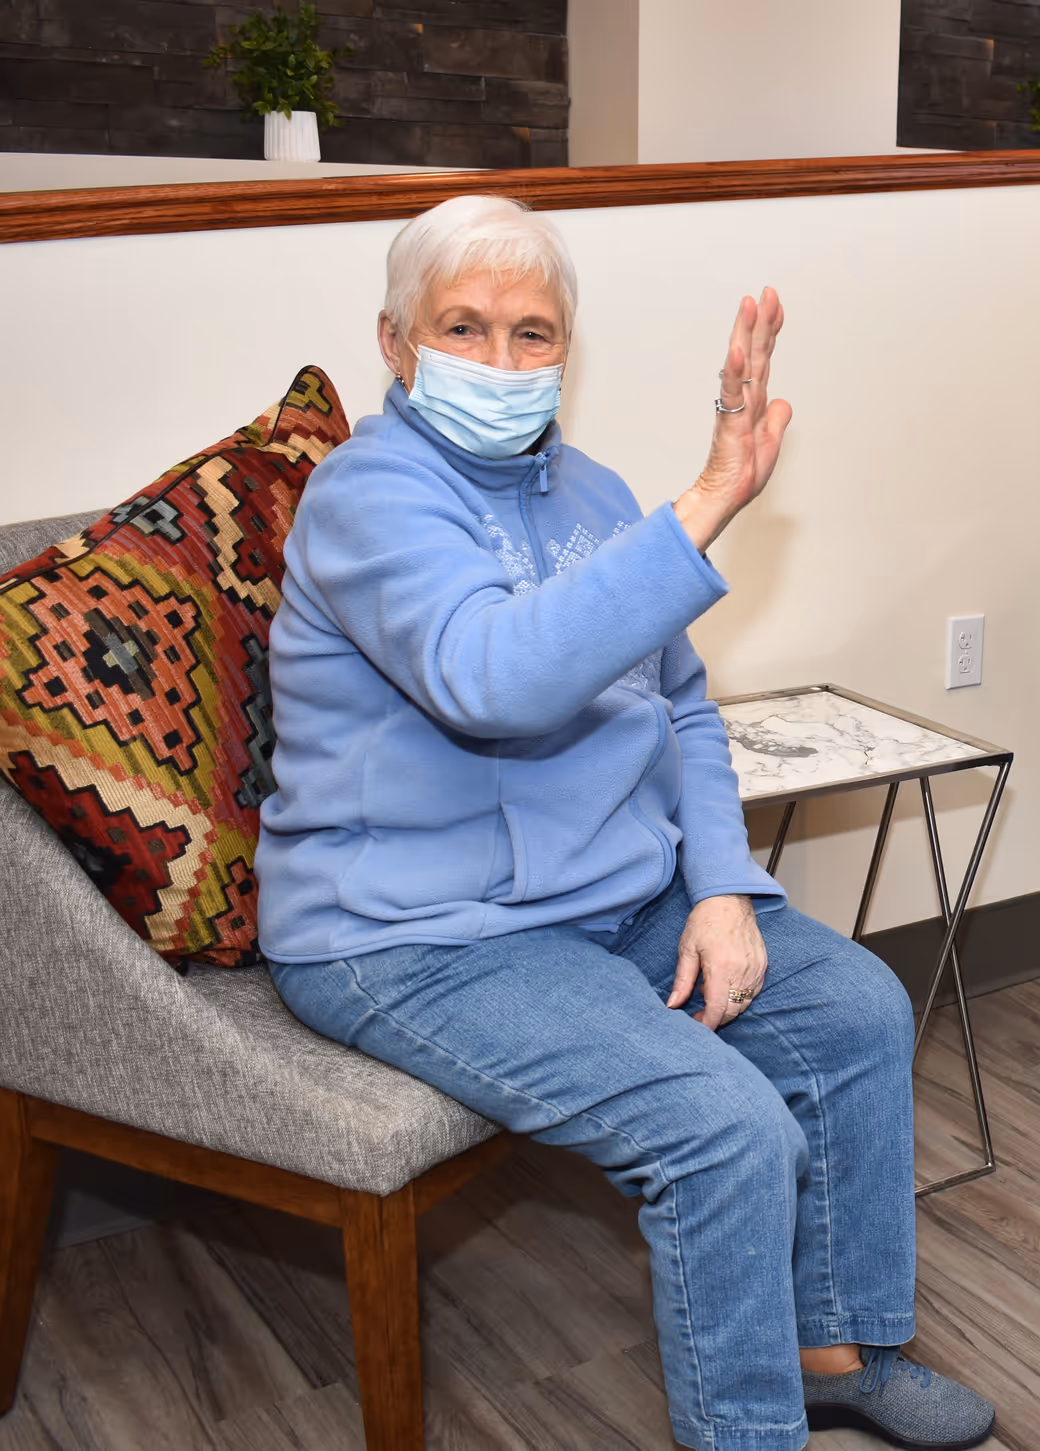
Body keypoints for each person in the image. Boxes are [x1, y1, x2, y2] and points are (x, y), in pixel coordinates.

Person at [256, 195, 996, 1451]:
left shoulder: (593, 492)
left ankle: (838, 1348)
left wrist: (719, 883)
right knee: (723, 1129)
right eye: (464, 327)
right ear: (395, 341)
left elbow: (686, 713)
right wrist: (708, 499)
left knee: (859, 1009)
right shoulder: (365, 497)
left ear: (568, 351)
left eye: (533, 333)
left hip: (617, 897)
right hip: (417, 935)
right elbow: (493, 677)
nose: (500, 362)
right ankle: (749, 1434)